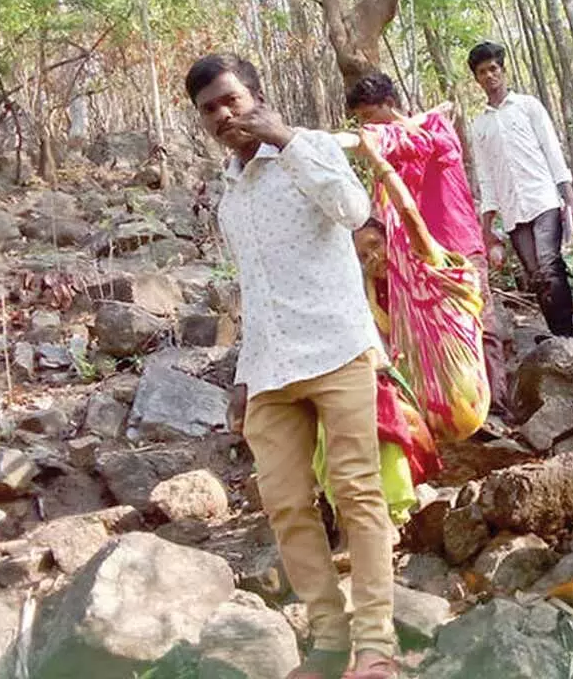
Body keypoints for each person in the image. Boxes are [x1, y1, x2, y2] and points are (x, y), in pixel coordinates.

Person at [185, 54, 397, 679]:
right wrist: (243, 377)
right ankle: (329, 643)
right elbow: (254, 287)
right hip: (270, 367)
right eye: (210, 110)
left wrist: (284, 138)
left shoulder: (308, 148)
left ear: (256, 96)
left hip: (337, 348)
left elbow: (355, 210)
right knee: (284, 503)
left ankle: (377, 646)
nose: (224, 115)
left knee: (357, 493)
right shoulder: (230, 194)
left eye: (231, 100)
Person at [346, 72, 509, 420]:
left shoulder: (434, 127)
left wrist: (381, 136)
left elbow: (426, 146)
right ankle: (447, 410)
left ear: (388, 106)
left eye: (367, 116)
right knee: (431, 330)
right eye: (361, 121)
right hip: (415, 253)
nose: (366, 125)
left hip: (456, 241)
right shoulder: (390, 145)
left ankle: (495, 406)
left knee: (480, 320)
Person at [466, 41, 573, 338]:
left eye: (494, 69)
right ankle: (556, 336)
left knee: (550, 264)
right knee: (536, 276)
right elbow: (486, 177)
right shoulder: (480, 126)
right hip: (513, 209)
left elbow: (552, 151)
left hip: (543, 198)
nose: (490, 76)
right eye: (482, 72)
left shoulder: (528, 106)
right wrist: (488, 226)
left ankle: (568, 336)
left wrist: (569, 197)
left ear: (503, 71)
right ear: (477, 79)